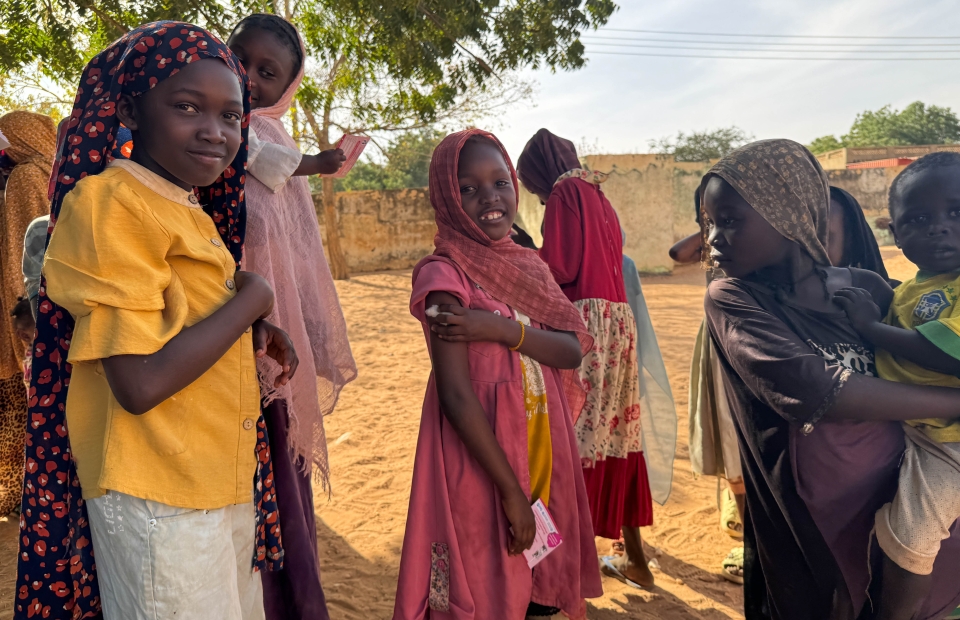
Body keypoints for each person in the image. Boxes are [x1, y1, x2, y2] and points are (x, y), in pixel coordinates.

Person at [16, 22, 297, 620]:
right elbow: (139, 382)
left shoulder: (185, 204)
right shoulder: (113, 203)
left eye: (231, 115)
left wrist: (250, 324)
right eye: (188, 107)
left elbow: (179, 313)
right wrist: (253, 300)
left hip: (208, 475)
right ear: (128, 110)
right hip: (156, 495)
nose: (215, 131)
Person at [702, 138, 960, 619]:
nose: (714, 237)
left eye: (731, 221)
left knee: (910, 574)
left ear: (789, 212)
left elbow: (932, 341)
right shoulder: (734, 298)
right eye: (711, 222)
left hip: (900, 485)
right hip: (816, 511)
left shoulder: (864, 288)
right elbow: (818, 389)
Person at [393, 129, 602, 620]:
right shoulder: (443, 277)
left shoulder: (528, 267)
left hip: (541, 447)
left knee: (539, 581)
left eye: (500, 182)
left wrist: (502, 329)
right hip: (484, 461)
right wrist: (510, 491)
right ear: (447, 198)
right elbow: (455, 395)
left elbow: (571, 351)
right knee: (488, 576)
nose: (489, 197)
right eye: (468, 188)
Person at [226, 14, 358, 620]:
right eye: (241, 60)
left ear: (288, 87)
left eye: (268, 72)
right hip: (219, 341)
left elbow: (300, 256)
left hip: (270, 350)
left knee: (276, 482)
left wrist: (310, 330)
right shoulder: (217, 137)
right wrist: (318, 161)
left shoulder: (268, 137)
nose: (249, 79)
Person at [517, 128, 659, 589]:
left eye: (533, 187)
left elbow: (560, 268)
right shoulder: (599, 195)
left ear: (541, 172)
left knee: (571, 437)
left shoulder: (564, 192)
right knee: (614, 433)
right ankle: (636, 559)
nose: (539, 197)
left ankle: (564, 572)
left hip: (585, 326)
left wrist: (522, 255)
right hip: (618, 326)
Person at [834, 152, 960, 620]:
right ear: (896, 234)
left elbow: (947, 353)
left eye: (956, 212)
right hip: (922, 428)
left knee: (913, 535)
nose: (939, 227)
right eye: (919, 219)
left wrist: (871, 327)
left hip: (950, 441)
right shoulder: (915, 287)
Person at [0, 111, 55, 517]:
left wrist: (20, 303)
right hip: (55, 303)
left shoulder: (24, 177)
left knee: (29, 394)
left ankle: (29, 497)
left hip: (26, 304)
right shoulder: (58, 170)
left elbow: (21, 243)